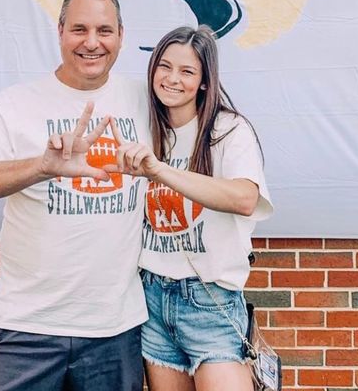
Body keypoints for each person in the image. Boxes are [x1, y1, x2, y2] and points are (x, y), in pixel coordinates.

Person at [0, 0, 149, 391]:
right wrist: (42, 167)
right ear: (59, 32)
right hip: (26, 329)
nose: (91, 43)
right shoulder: (15, 104)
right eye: (79, 29)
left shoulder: (145, 101)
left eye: (104, 31)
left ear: (122, 36)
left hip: (114, 328)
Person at [107, 25, 273, 391]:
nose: (172, 79)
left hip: (208, 300)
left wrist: (160, 170)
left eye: (187, 71)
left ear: (203, 81)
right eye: (164, 66)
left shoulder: (227, 130)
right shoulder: (146, 129)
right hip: (151, 296)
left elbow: (245, 198)